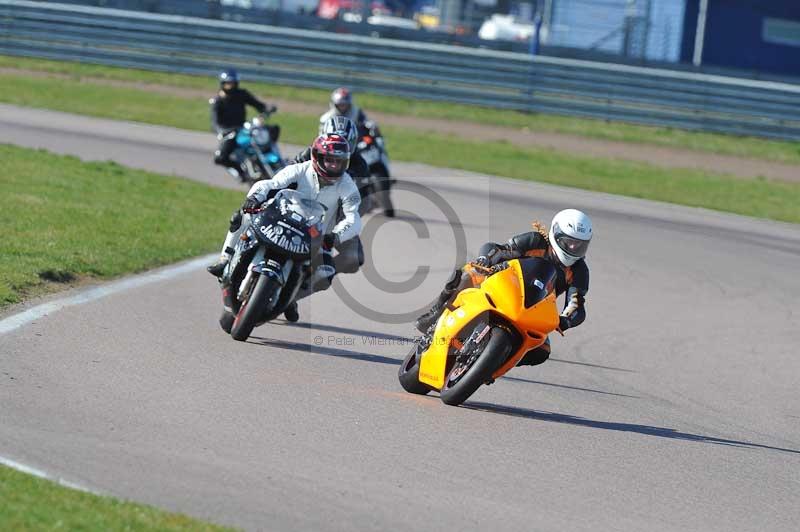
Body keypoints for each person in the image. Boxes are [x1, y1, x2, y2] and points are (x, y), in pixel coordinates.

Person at [207, 133, 363, 323]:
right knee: (240, 216)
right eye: (329, 160)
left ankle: (292, 296)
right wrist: (255, 198)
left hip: (314, 235)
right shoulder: (299, 169)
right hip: (278, 219)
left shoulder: (348, 186)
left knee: (325, 273)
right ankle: (225, 259)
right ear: (317, 156)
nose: (333, 166)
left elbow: (353, 217)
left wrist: (335, 236)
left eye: (339, 162)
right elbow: (271, 184)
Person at [414, 209, 593, 367]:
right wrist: (485, 259)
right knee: (467, 274)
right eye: (569, 242)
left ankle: (493, 363)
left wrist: (565, 320)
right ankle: (436, 315)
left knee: (542, 350)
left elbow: (576, 304)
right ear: (556, 234)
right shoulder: (536, 241)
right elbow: (499, 249)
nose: (573, 248)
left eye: (579, 245)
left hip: (531, 309)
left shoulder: (579, 271)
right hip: (501, 285)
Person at [210, 68, 277, 177]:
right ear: (222, 84)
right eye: (228, 84)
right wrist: (222, 132)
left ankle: (277, 162)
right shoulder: (217, 101)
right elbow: (215, 123)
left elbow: (258, 105)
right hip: (230, 132)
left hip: (244, 129)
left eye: (232, 83)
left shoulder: (241, 94)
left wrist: (267, 108)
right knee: (220, 158)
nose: (230, 86)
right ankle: (241, 172)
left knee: (272, 130)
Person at [291, 115, 369, 181]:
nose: (339, 150)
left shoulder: (360, 164)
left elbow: (363, 192)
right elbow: (292, 169)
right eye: (334, 144)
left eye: (345, 144)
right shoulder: (312, 152)